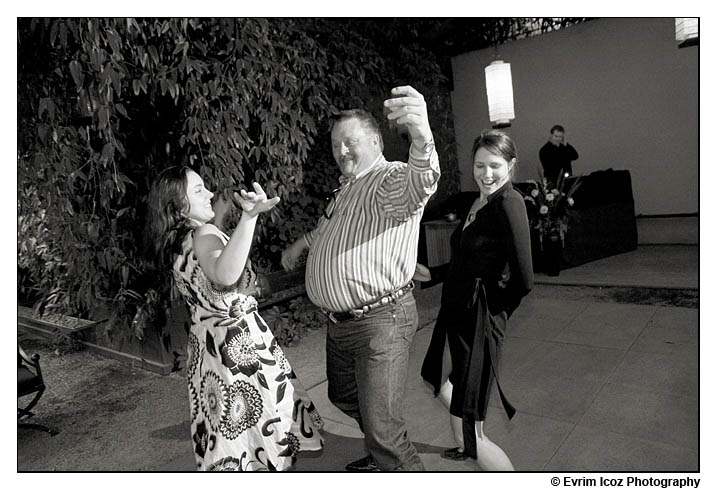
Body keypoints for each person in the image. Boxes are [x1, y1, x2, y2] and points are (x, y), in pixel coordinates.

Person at [281, 85, 440, 471]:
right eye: (335, 145)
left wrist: (422, 137)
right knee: (343, 396)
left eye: (349, 142)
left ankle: (389, 458)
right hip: (343, 325)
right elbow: (330, 229)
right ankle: (378, 451)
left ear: (374, 139)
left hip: (381, 321)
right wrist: (302, 243)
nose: (341, 151)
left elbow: (419, 184)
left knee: (385, 429)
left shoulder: (389, 178)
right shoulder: (347, 189)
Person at [144, 167, 324, 471]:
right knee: (260, 432)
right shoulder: (203, 234)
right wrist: (249, 217)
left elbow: (211, 275)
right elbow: (226, 276)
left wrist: (222, 220)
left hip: (209, 350)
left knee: (233, 437)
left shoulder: (180, 241)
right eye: (198, 189)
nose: (210, 194)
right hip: (237, 349)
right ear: (177, 202)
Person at [419, 130, 533, 471]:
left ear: (511, 166)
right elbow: (469, 258)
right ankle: (466, 442)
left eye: (494, 165)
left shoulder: (509, 204)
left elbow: (524, 279)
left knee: (473, 428)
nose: (486, 173)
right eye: (479, 165)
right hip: (453, 311)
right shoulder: (480, 199)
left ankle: (473, 446)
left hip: (478, 321)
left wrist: (492, 311)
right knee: (435, 376)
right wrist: (435, 273)